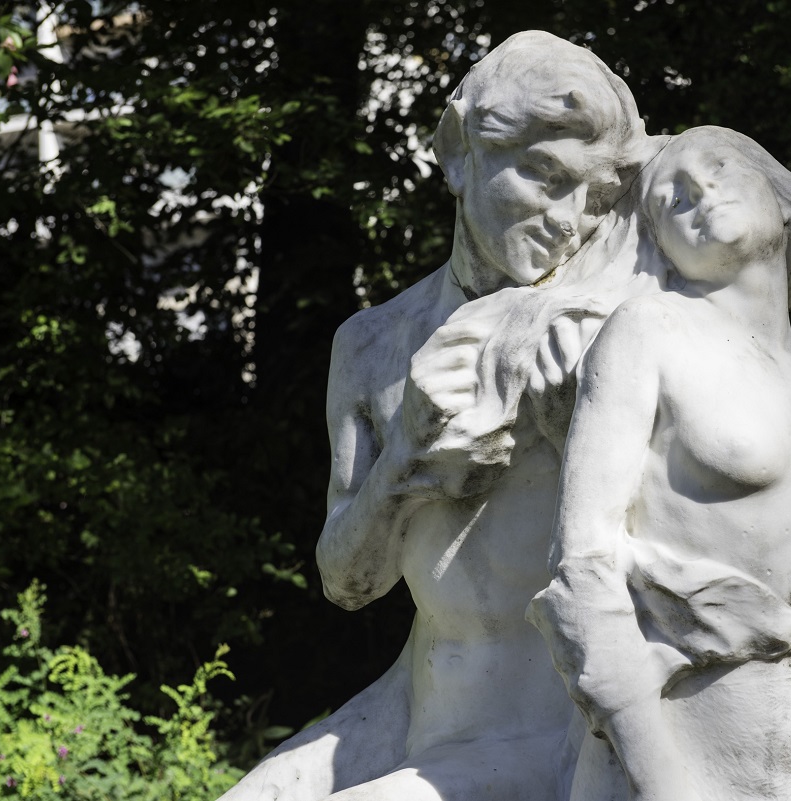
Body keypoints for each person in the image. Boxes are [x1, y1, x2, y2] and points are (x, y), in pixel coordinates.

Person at [219, 31, 661, 801]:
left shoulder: (607, 334)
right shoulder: (372, 343)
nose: (568, 219)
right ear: (459, 152)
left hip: (554, 729)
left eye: (592, 197)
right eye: (546, 176)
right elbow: (348, 581)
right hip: (414, 703)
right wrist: (404, 466)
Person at [527, 126, 791, 801]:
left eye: (721, 166)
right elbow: (583, 568)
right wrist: (664, 782)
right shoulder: (649, 331)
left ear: (779, 191)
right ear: (661, 249)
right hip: (686, 752)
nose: (700, 191)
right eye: (671, 198)